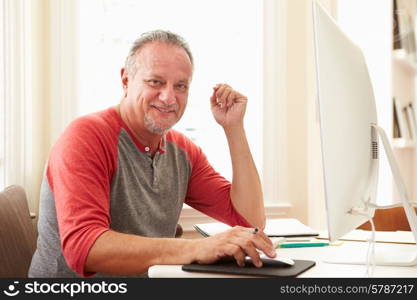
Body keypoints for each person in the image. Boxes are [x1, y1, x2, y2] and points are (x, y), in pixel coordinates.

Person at [29, 30, 276, 277]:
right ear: (126, 80)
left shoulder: (182, 151)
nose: (169, 97)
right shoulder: (85, 137)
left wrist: (234, 128)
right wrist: (199, 248)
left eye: (180, 86)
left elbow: (250, 220)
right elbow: (85, 248)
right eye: (155, 82)